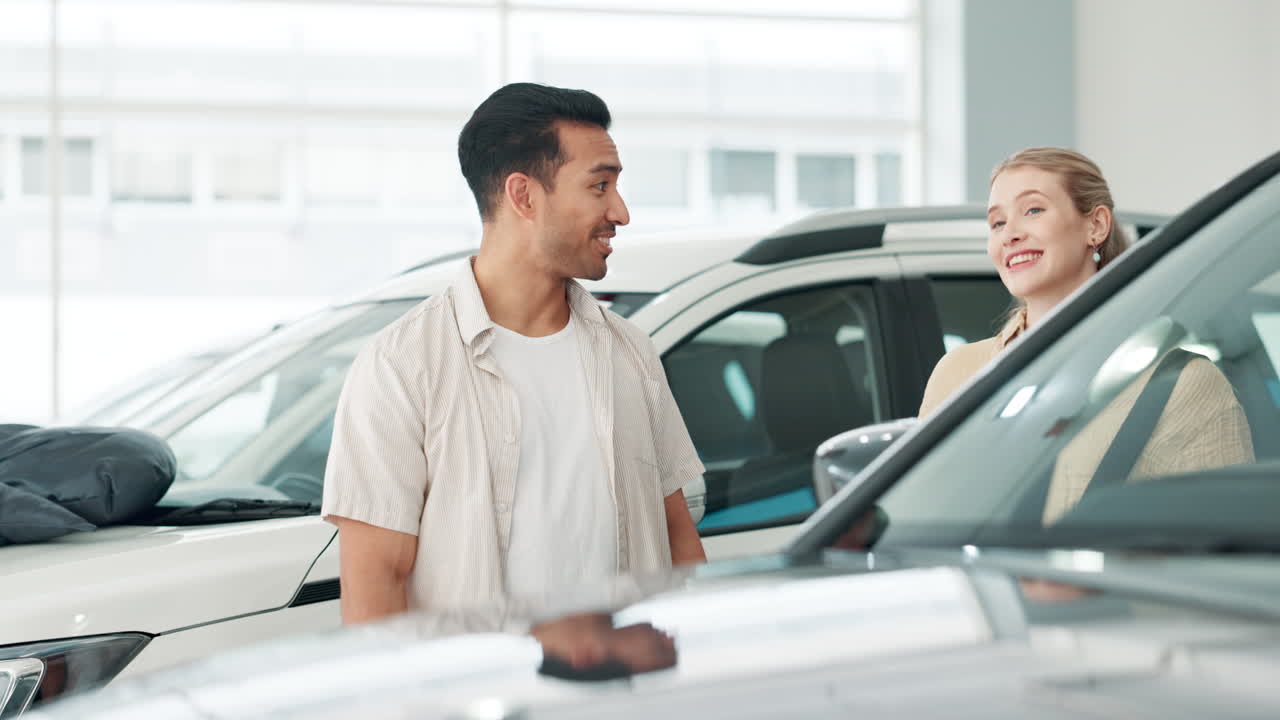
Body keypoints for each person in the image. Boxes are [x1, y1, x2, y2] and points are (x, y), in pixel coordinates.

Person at [322, 83, 707, 625]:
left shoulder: (630, 352)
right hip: (480, 704)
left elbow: (675, 538)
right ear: (524, 195)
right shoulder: (402, 366)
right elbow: (376, 586)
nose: (620, 212)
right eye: (599, 186)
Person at [918, 147, 1253, 523]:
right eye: (997, 223)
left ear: (1096, 226)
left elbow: (1217, 544)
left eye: (1033, 210)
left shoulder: (1182, 384)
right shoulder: (957, 373)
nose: (1009, 235)